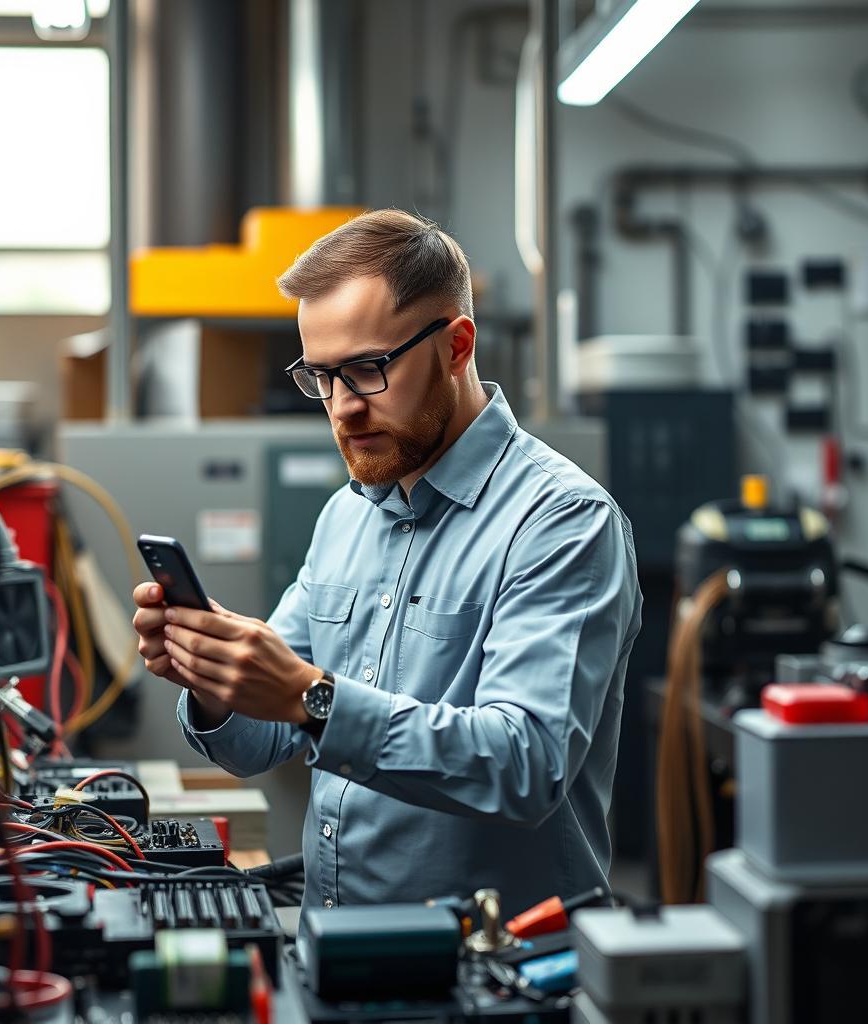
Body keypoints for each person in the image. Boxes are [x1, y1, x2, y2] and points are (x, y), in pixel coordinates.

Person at [132, 209, 642, 916]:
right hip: (337, 953)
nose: (342, 408)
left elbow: (525, 765)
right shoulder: (348, 515)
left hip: (491, 977)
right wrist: (218, 674)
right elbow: (263, 737)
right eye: (322, 377)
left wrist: (313, 698)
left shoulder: (560, 523)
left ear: (457, 346)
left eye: (368, 370)